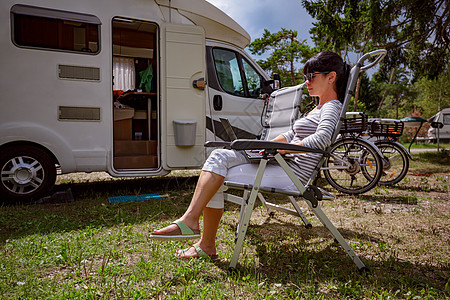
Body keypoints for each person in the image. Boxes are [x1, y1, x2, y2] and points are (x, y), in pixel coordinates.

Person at [150, 51, 350, 260]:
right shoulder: (317, 108)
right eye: (305, 77)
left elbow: (322, 140)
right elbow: (290, 134)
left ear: (331, 77)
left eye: (311, 76)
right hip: (281, 163)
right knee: (219, 158)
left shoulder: (331, 107)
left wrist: (284, 149)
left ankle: (198, 234)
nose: (306, 82)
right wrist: (265, 145)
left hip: (293, 173)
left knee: (217, 171)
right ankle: (195, 229)